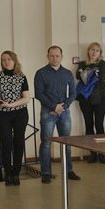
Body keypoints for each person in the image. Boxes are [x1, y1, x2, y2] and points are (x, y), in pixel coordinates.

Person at [0, 50, 31, 185]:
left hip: (20, 112)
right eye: (3, 59)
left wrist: (11, 105)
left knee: (19, 141)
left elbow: (26, 98)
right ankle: (8, 173)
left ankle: (16, 173)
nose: (6, 62)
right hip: (3, 114)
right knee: (6, 143)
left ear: (14, 61)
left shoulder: (21, 77)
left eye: (9, 59)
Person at [34, 45, 80, 185]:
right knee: (46, 143)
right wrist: (54, 107)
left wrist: (63, 106)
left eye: (57, 56)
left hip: (64, 112)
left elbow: (73, 93)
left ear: (61, 57)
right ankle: (46, 173)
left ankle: (68, 170)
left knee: (66, 142)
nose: (54, 58)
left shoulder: (67, 73)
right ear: (48, 57)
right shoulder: (41, 73)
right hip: (48, 112)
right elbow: (39, 94)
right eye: (52, 56)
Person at [75, 42, 105, 163]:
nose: (94, 52)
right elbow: (78, 76)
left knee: (99, 126)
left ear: (100, 53)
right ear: (88, 51)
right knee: (89, 126)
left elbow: (101, 77)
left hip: (99, 99)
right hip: (85, 99)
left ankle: (102, 154)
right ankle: (92, 154)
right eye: (92, 50)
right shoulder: (82, 63)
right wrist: (92, 73)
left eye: (97, 50)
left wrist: (85, 72)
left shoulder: (102, 63)